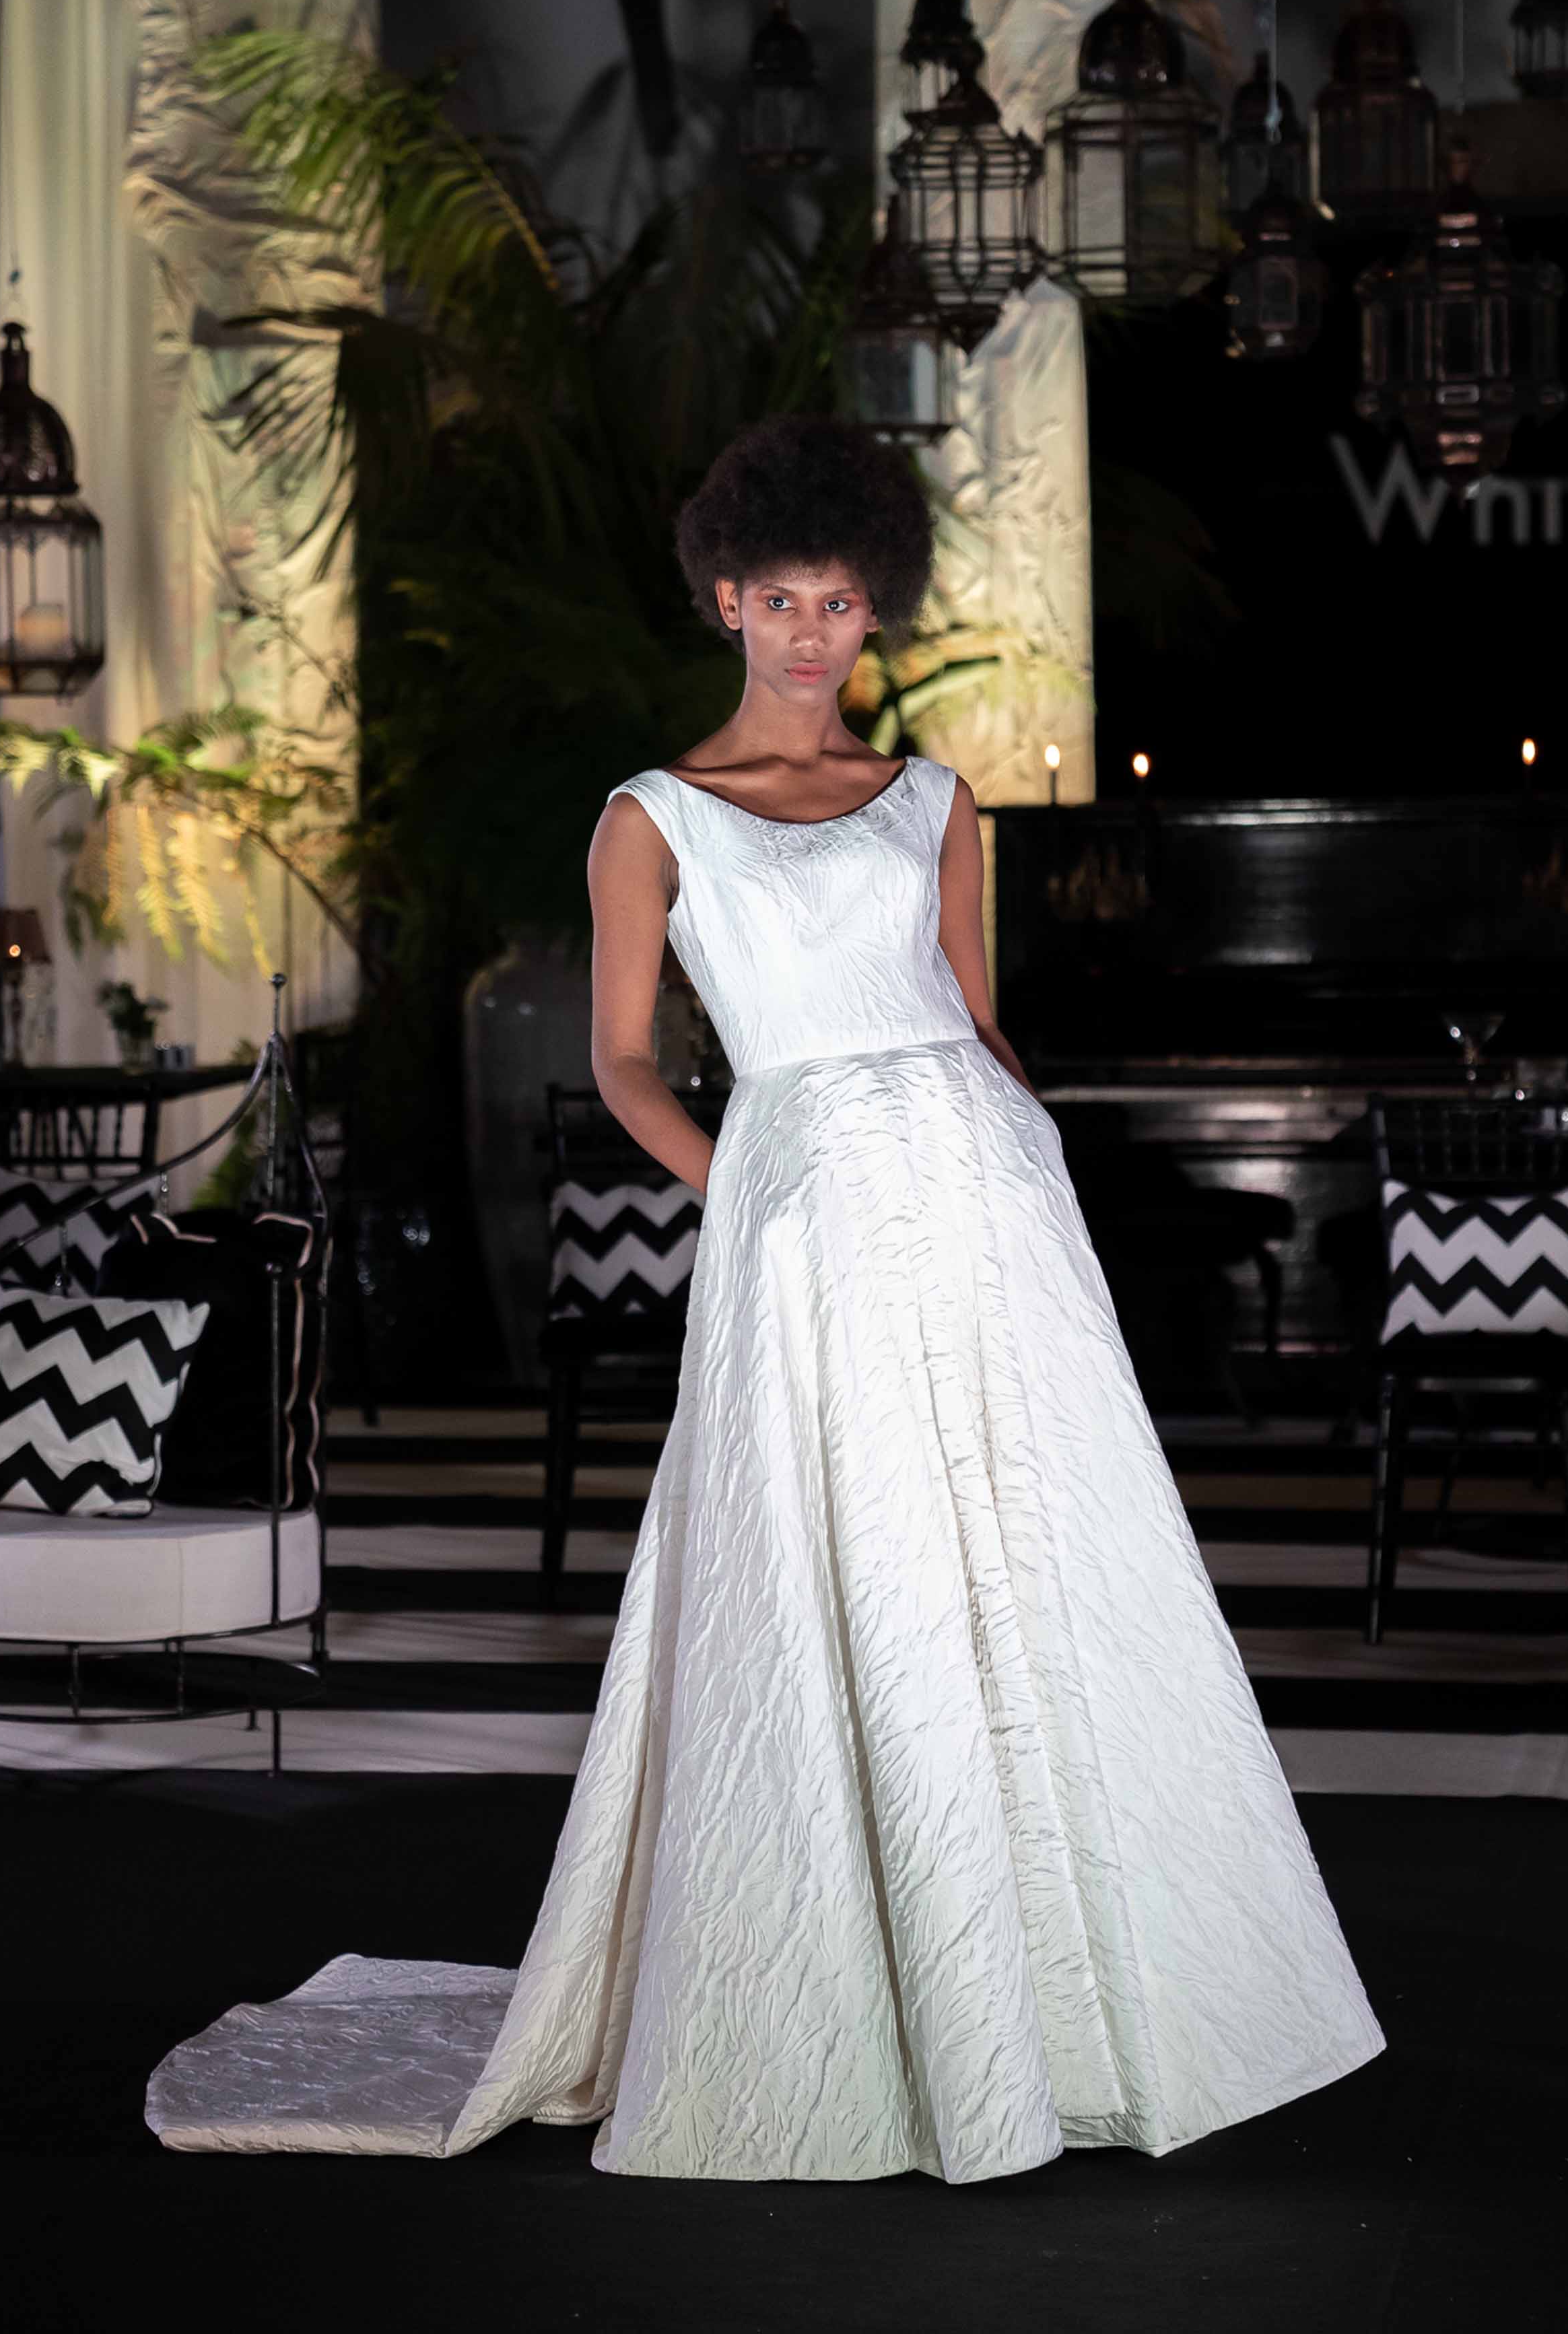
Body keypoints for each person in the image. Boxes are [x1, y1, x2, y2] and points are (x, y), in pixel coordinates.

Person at [147, 415, 1385, 2180]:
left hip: (985, 1205)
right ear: (726, 598)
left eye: (843, 603)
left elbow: (974, 1023)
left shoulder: (936, 802)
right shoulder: (650, 820)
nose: (814, 633)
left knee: (1036, 1566)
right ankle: (876, 1995)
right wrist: (749, 1188)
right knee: (840, 1559)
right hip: (800, 1214)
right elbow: (625, 1060)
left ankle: (1068, 2006)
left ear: (875, 610)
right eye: (783, 599)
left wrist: (1034, 1166)